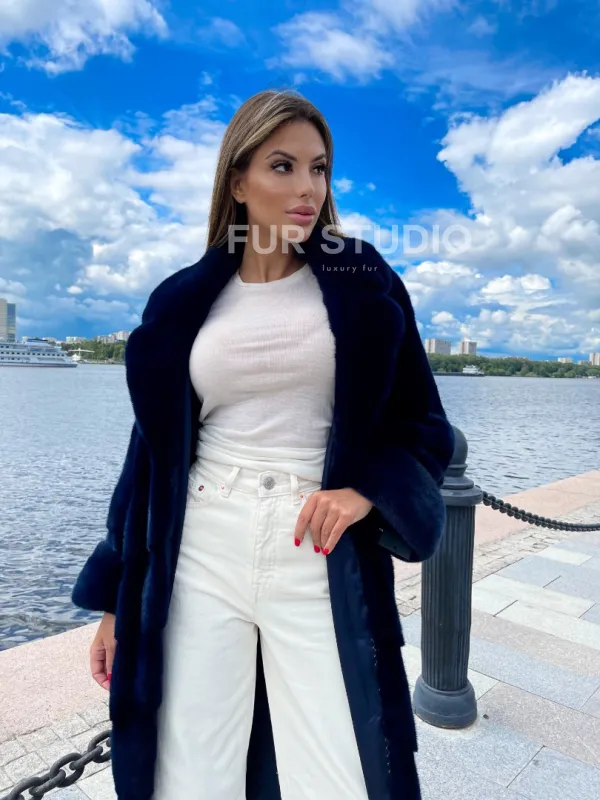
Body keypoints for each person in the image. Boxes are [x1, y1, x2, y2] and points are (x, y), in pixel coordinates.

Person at [72, 89, 455, 800]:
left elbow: (425, 424)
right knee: (189, 769)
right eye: (283, 166)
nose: (308, 187)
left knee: (341, 769)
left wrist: (368, 489)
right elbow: (149, 459)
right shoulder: (182, 301)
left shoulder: (362, 280)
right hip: (200, 539)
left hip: (316, 544)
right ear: (239, 181)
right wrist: (116, 601)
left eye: (320, 167)